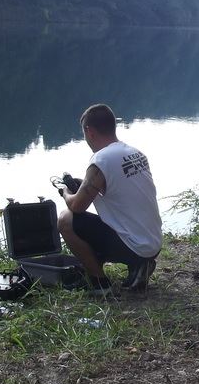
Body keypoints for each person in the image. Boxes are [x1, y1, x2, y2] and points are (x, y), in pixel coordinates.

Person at [57, 103, 162, 296]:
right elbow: (119, 189)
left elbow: (77, 206)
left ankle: (100, 285)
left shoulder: (101, 160)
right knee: (98, 225)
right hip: (153, 243)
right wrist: (83, 186)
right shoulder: (134, 152)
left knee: (66, 219)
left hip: (134, 245)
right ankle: (139, 265)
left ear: (89, 132)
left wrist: (64, 191)